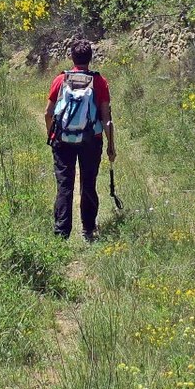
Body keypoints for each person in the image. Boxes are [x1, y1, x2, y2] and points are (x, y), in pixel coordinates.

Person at [45, 40, 116, 241]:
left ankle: (61, 233)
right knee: (89, 182)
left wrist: (52, 135)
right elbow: (106, 119)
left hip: (62, 140)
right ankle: (89, 229)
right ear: (90, 58)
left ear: (72, 57)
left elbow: (48, 113)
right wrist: (111, 145)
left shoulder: (60, 80)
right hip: (91, 140)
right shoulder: (99, 82)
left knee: (65, 185)